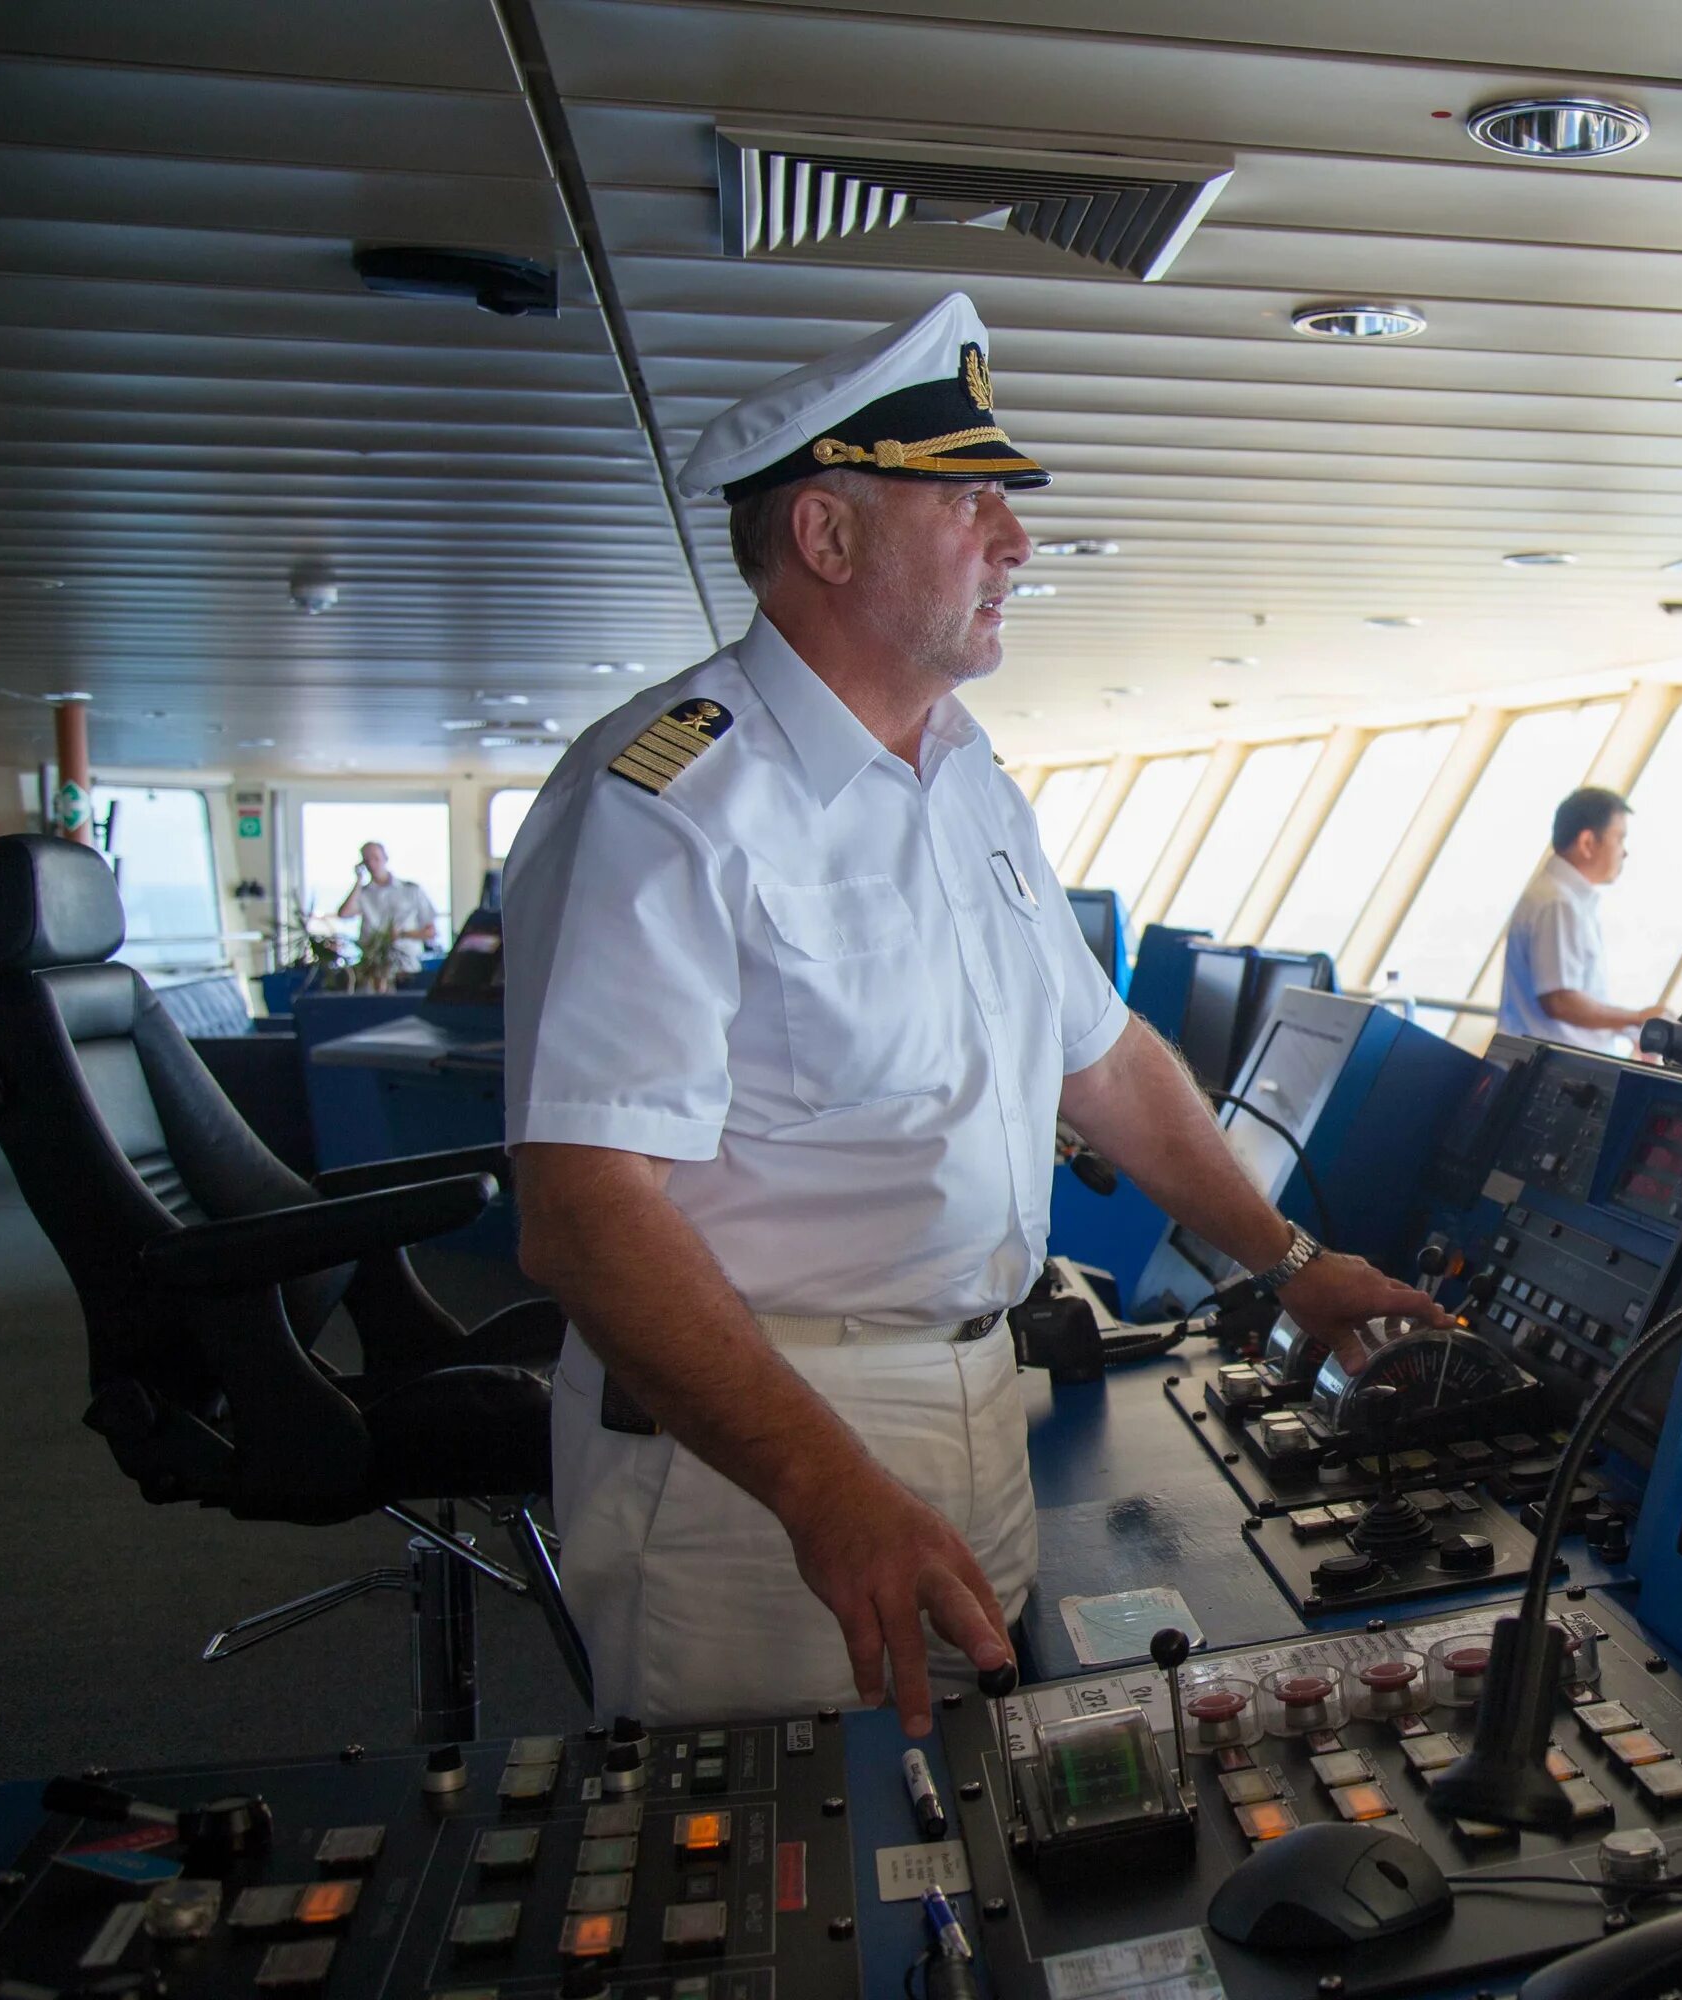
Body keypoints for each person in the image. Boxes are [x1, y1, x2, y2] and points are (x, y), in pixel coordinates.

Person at [500, 294, 1439, 1733]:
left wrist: (1288, 1259)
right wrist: (822, 1486)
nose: (1017, 541)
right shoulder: (669, 802)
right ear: (828, 537)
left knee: (966, 1860)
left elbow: (1106, 1062)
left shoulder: (967, 781)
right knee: (790, 1900)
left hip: (973, 1402)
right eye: (974, 502)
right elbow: (584, 1210)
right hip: (754, 1461)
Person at [1497, 786, 1664, 1055]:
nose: (1624, 852)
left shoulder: (1560, 897)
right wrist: (1636, 1018)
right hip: (1550, 1065)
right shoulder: (1558, 903)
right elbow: (1561, 1001)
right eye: (1619, 839)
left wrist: (1629, 1029)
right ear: (1587, 843)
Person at [332, 840, 437, 977]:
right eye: (367, 860)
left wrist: (401, 934)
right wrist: (358, 881)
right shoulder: (364, 894)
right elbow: (344, 913)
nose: (372, 863)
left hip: (406, 964)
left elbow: (430, 932)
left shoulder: (410, 890)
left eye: (375, 858)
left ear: (385, 858)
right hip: (374, 966)